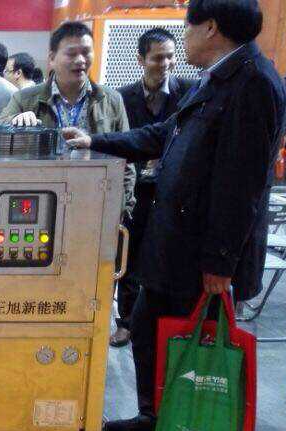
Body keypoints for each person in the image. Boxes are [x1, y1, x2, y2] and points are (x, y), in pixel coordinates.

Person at [64, 0, 286, 431]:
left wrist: (220, 263)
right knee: (147, 330)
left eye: (186, 30)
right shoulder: (213, 79)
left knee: (197, 349)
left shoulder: (254, 84)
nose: (182, 40)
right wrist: (96, 141)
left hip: (203, 254)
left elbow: (243, 185)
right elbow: (165, 133)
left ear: (210, 28)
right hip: (172, 243)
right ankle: (154, 414)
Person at [110, 28, 195, 348]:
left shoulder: (189, 92)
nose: (166, 64)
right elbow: (122, 140)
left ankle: (166, 323)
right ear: (141, 59)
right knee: (128, 256)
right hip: (136, 190)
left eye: (171, 57)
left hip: (174, 191)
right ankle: (126, 322)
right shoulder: (123, 97)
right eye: (158, 58)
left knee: (170, 254)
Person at [0, 22, 135, 213]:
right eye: (71, 53)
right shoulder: (25, 99)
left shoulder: (111, 99)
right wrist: (16, 120)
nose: (80, 60)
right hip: (41, 202)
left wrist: (124, 207)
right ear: (52, 58)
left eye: (86, 52)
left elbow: (126, 158)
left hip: (95, 202)